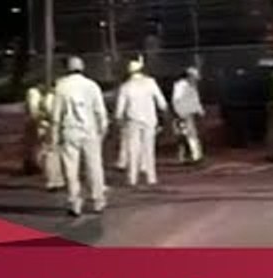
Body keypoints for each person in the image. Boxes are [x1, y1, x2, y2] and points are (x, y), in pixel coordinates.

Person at [51, 56, 108, 217]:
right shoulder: (92, 85)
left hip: (70, 131)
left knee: (71, 169)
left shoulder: (61, 86)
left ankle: (74, 202)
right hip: (90, 130)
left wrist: (54, 137)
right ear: (82, 67)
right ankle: (98, 200)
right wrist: (102, 131)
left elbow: (56, 116)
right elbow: (100, 112)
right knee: (94, 166)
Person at [115, 58, 168, 187]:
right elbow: (161, 102)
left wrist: (119, 121)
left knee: (133, 150)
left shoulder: (125, 86)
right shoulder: (150, 83)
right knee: (149, 149)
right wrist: (164, 113)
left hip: (133, 121)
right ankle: (151, 177)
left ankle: (132, 178)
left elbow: (119, 111)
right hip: (150, 120)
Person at [23, 82, 64, 190]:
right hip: (44, 125)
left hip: (46, 125)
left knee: (48, 152)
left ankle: (54, 178)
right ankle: (53, 179)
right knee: (48, 151)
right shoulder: (35, 94)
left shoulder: (51, 95)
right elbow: (34, 112)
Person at [172, 67, 205, 164]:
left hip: (189, 113)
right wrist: (179, 113)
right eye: (195, 77)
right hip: (183, 113)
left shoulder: (191, 86)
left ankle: (189, 156)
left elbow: (195, 100)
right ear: (190, 76)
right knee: (187, 136)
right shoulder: (181, 86)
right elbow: (176, 100)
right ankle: (194, 156)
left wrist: (200, 111)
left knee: (187, 135)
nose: (196, 79)